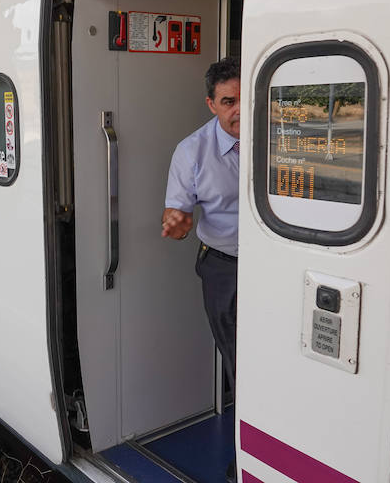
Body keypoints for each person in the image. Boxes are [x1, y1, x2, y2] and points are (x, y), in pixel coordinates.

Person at [161, 56, 240, 482]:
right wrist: (177, 224)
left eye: (246, 99)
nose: (239, 111)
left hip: (281, 264)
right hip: (226, 268)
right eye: (229, 102)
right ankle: (246, 457)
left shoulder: (282, 136)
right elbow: (176, 216)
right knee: (241, 364)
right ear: (211, 104)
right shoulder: (192, 152)